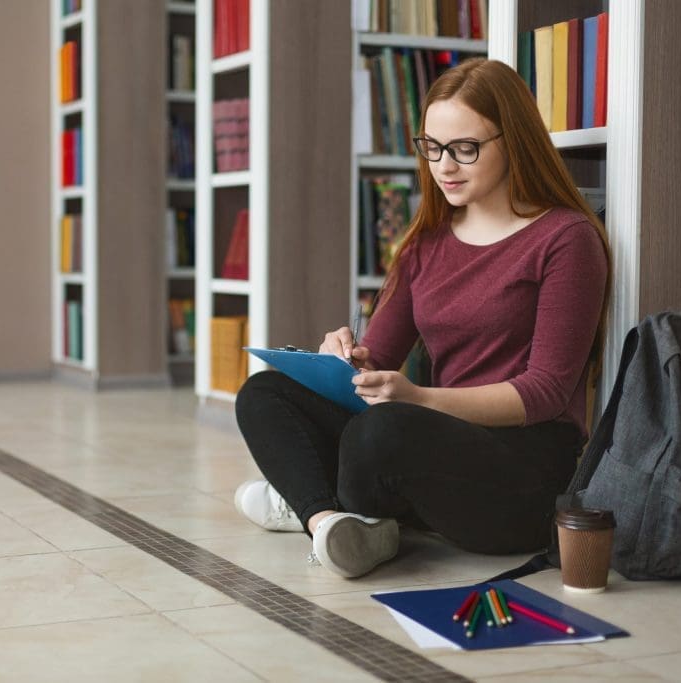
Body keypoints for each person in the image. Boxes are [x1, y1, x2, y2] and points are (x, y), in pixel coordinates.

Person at [232, 58, 611, 579]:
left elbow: (546, 392)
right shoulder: (426, 241)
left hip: (524, 470)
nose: (444, 166)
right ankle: (327, 523)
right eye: (432, 148)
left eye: (465, 149)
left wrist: (418, 398)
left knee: (381, 434)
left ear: (514, 140)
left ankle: (312, 498)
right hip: (430, 437)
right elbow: (379, 358)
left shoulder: (566, 239)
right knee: (264, 393)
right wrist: (343, 357)